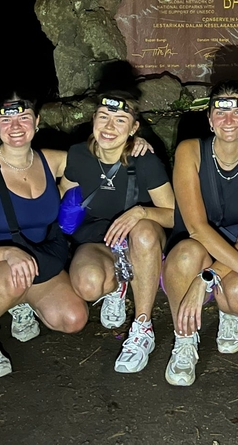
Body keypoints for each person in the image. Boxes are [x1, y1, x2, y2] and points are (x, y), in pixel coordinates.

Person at [0, 96, 87, 380]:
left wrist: (134, 142)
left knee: (73, 318)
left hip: (36, 262)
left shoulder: (50, 160)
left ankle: (20, 301)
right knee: (11, 275)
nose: (15, 126)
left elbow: (100, 155)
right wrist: (6, 254)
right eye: (6, 119)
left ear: (37, 122)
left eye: (24, 117)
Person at [161, 80, 238, 386]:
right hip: (194, 246)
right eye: (220, 112)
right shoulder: (190, 151)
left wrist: (206, 279)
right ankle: (184, 339)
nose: (229, 120)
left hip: (237, 252)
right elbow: (197, 228)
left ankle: (229, 312)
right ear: (210, 119)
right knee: (187, 254)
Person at [62, 92, 175, 374]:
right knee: (88, 285)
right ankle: (118, 283)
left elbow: (174, 214)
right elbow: (65, 194)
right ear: (93, 120)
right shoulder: (77, 154)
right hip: (99, 237)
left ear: (134, 128)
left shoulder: (145, 160)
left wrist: (141, 212)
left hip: (141, 235)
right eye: (104, 117)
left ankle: (142, 326)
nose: (110, 127)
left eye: (120, 120)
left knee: (145, 233)